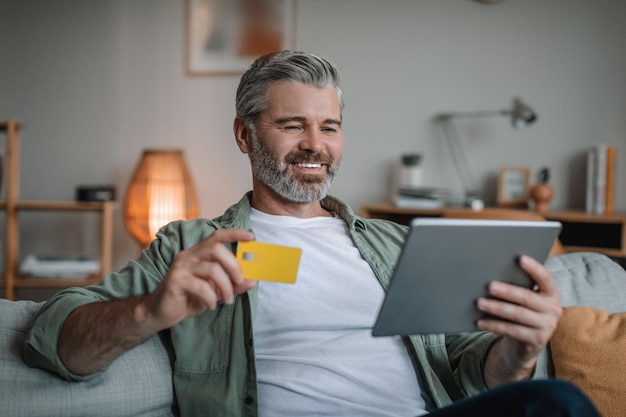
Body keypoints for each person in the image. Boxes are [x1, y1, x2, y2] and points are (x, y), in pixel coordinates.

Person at [24, 50, 599, 417]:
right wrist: (150, 310)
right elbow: (55, 338)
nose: (314, 145)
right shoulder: (192, 245)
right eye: (292, 124)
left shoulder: (396, 245)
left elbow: (472, 369)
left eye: (329, 127)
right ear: (245, 136)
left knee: (557, 402)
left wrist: (520, 351)